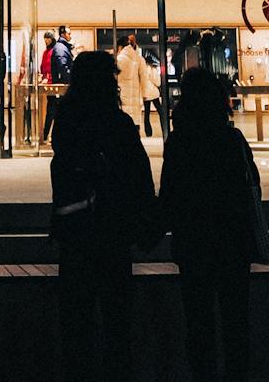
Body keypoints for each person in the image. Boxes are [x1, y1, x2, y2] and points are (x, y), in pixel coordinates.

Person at [49, 49, 159, 382]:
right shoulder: (117, 123)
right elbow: (139, 177)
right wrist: (147, 221)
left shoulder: (66, 121)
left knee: (77, 321)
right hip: (112, 231)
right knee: (117, 322)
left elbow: (62, 172)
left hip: (76, 230)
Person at [159, 66, 261, 382]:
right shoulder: (232, 139)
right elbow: (252, 186)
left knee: (199, 320)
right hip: (233, 242)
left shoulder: (180, 141)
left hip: (194, 243)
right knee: (236, 321)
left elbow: (170, 195)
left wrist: (151, 228)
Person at [42, 26, 74, 144]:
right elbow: (60, 67)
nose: (46, 41)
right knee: (54, 111)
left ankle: (48, 135)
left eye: (48, 38)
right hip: (55, 85)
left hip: (54, 84)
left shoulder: (56, 49)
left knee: (54, 111)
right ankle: (47, 135)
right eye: (45, 39)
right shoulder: (55, 50)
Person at [114, 33, 147, 131]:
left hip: (123, 96)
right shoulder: (139, 59)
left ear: (120, 47)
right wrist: (144, 95)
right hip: (136, 97)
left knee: (123, 122)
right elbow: (144, 78)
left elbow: (115, 79)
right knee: (135, 122)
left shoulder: (119, 59)